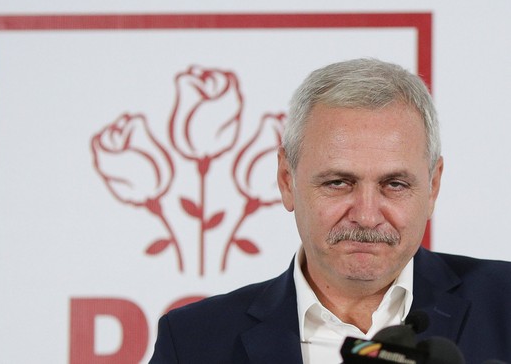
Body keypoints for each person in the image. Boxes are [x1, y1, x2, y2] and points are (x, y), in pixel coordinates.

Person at [149, 58, 511, 363]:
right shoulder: (193, 343)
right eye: (339, 183)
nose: (367, 216)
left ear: (432, 187)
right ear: (287, 180)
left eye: (395, 185)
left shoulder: (504, 304)